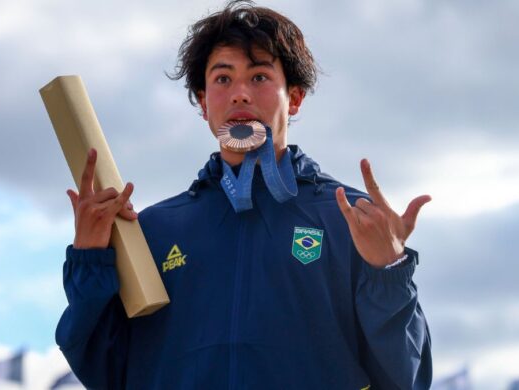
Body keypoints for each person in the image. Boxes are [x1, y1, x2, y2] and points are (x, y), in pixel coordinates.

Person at [57, 1, 433, 389]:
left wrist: (389, 271)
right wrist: (90, 259)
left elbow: (406, 377)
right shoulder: (153, 229)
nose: (239, 94)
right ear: (203, 104)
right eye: (222, 79)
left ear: (296, 98)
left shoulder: (351, 219)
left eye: (258, 77)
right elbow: (106, 370)